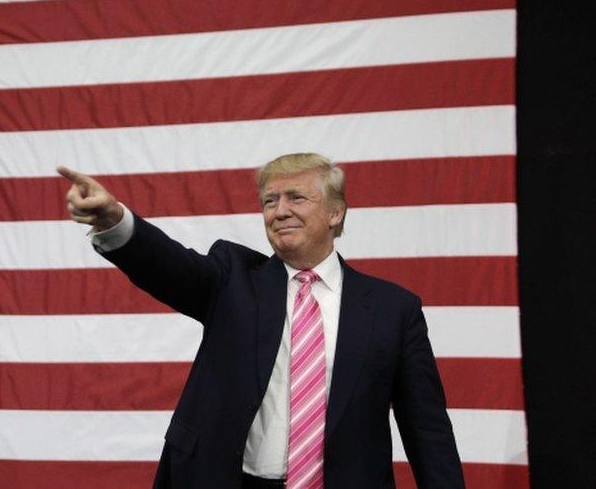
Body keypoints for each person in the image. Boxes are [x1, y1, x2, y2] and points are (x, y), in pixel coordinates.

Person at [58, 153, 463, 488]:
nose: (280, 211)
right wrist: (113, 220)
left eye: (296, 198)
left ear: (336, 213)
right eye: (270, 201)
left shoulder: (394, 310)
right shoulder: (232, 279)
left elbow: (426, 430)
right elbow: (169, 266)